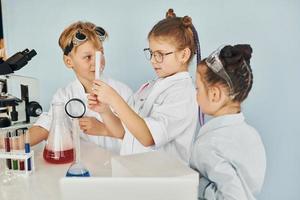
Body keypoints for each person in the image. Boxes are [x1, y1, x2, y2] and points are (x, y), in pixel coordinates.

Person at [88, 9, 200, 164]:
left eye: (160, 54)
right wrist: (105, 111)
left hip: (160, 183)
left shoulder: (184, 93)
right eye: (152, 53)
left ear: (184, 55)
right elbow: (123, 132)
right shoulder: (150, 87)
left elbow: (147, 137)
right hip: (135, 175)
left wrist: (114, 99)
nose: (153, 60)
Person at [29, 21, 132, 153]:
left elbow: (138, 135)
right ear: (69, 61)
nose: (97, 62)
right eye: (88, 57)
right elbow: (46, 126)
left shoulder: (122, 91)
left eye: (100, 53)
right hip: (87, 166)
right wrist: (10, 144)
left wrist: (103, 129)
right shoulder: (64, 96)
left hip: (119, 164)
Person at [190, 44, 266, 199]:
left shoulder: (210, 144)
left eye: (197, 88)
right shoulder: (252, 135)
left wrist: (200, 187)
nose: (195, 94)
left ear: (214, 95)